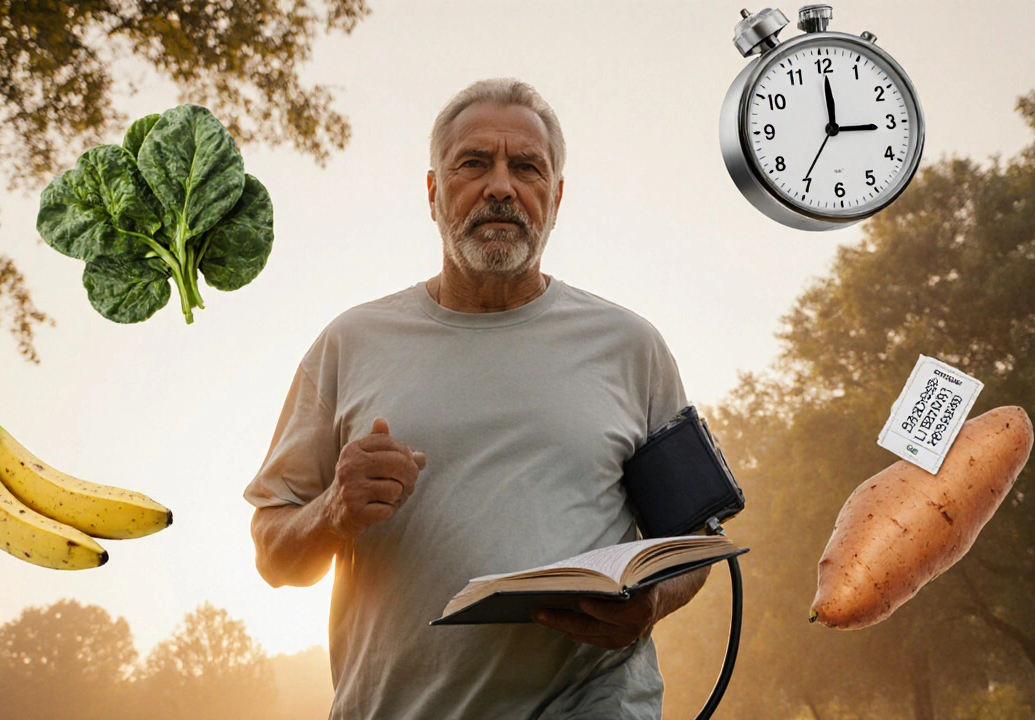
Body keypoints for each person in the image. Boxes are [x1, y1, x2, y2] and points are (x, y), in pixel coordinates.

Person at [246, 78, 709, 719]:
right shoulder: (348, 344)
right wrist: (333, 511)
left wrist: (651, 603)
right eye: (473, 164)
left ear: (556, 197)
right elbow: (274, 553)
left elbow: (691, 542)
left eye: (526, 167)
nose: (500, 186)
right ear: (434, 192)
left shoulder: (632, 346)